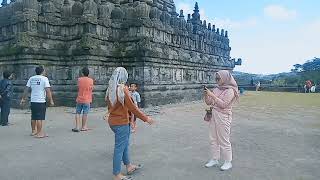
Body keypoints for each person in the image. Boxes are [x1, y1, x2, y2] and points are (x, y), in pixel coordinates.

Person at [105, 67, 154, 180]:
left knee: (124, 145)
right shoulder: (123, 89)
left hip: (113, 122)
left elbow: (110, 107)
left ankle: (129, 166)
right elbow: (133, 108)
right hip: (121, 122)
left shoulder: (110, 89)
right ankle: (116, 174)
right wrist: (146, 119)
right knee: (119, 148)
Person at [204, 70, 239, 171]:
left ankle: (228, 161)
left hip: (223, 116)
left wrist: (212, 95)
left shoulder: (230, 90)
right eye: (216, 78)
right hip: (214, 115)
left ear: (225, 78)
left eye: (218, 78)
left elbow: (223, 105)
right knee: (213, 138)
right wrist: (207, 94)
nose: (217, 80)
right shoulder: (216, 89)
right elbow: (208, 102)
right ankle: (215, 159)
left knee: (223, 140)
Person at [20, 66, 54, 138]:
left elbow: (26, 89)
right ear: (42, 71)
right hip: (41, 100)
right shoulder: (45, 79)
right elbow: (48, 90)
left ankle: (33, 131)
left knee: (33, 116)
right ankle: (39, 133)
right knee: (40, 117)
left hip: (33, 100)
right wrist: (51, 100)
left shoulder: (31, 78)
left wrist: (23, 98)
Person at [72, 67, 94, 132]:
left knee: (78, 112)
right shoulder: (91, 80)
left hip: (79, 99)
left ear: (82, 73)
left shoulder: (79, 79)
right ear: (88, 73)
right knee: (85, 113)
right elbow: (91, 88)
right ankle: (84, 126)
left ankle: (77, 127)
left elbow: (78, 87)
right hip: (87, 99)